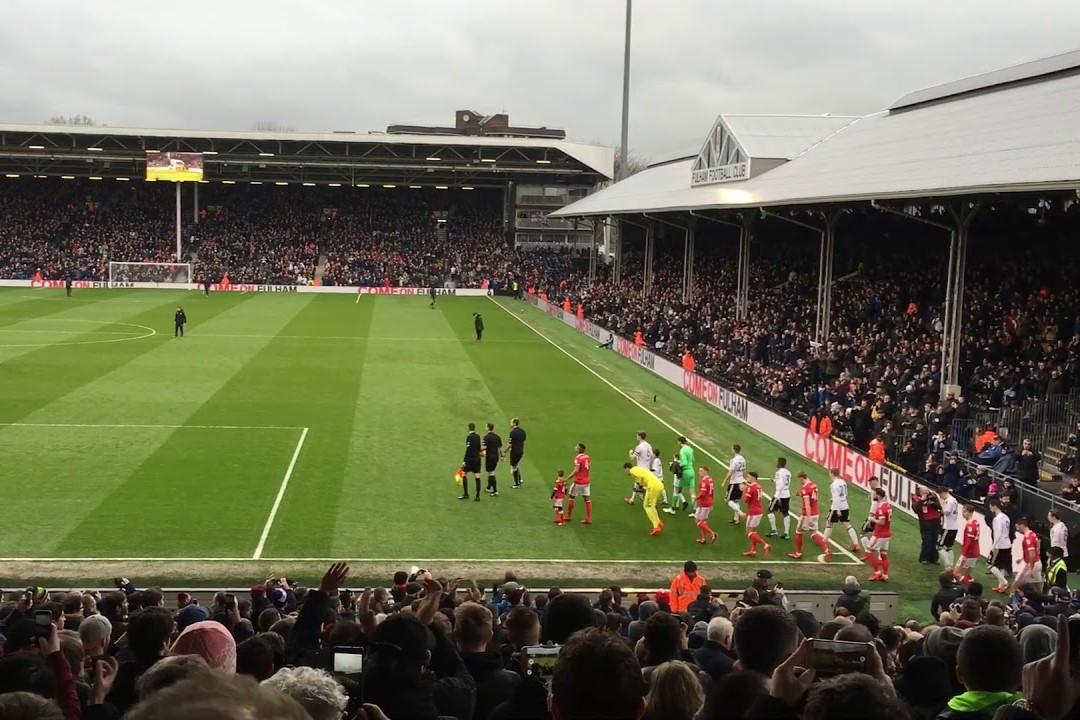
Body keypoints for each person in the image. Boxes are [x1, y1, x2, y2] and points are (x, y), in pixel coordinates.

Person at [789, 472, 830, 560]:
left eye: (799, 479)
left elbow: (807, 505)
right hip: (816, 513)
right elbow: (812, 498)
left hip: (807, 514)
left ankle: (798, 553)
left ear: (801, 478)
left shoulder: (805, 488)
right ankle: (826, 548)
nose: (799, 481)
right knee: (813, 533)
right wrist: (800, 495)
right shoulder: (814, 485)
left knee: (798, 531)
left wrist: (807, 519)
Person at [824, 468, 860, 552]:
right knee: (847, 524)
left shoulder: (833, 485)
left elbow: (836, 497)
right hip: (845, 505)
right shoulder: (843, 482)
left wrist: (837, 510)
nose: (829, 474)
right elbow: (845, 494)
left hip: (836, 507)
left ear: (832, 473)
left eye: (830, 473)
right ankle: (856, 543)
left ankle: (824, 542)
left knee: (829, 523)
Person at [624, 462, 664, 535]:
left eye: (625, 470)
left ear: (627, 468)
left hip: (653, 487)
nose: (625, 472)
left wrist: (641, 484)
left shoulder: (633, 470)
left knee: (646, 506)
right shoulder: (638, 469)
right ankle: (658, 522)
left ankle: (656, 526)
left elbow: (641, 477)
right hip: (659, 485)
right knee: (652, 505)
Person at [1010, 517, 1043, 593]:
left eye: (1018, 527)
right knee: (1037, 585)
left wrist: (1030, 567)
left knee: (1015, 584)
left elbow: (1032, 554)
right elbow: (1036, 549)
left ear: (1022, 525)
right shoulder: (1033, 534)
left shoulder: (1028, 538)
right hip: (1038, 563)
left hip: (1030, 564)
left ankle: (1014, 602)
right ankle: (1041, 600)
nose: (1017, 529)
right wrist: (1022, 558)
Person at [742, 472, 770, 557]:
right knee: (754, 532)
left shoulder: (751, 488)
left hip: (753, 512)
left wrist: (744, 490)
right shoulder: (758, 486)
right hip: (759, 511)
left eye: (749, 477)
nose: (747, 478)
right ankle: (753, 551)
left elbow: (746, 500)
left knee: (748, 532)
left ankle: (765, 545)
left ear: (753, 478)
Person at [867, 486, 892, 582]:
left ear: (878, 495)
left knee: (868, 551)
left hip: (880, 534)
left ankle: (877, 573)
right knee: (884, 554)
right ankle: (885, 575)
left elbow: (882, 522)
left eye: (873, 494)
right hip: (887, 534)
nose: (872, 496)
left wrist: (873, 519)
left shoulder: (881, 507)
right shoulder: (887, 505)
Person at [953, 504, 981, 585]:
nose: (963, 514)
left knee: (956, 573)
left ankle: (967, 587)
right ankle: (970, 585)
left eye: (964, 512)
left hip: (969, 553)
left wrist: (964, 555)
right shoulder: (976, 522)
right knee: (966, 574)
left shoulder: (970, 525)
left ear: (970, 512)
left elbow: (969, 542)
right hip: (975, 552)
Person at [988, 501, 1013, 593]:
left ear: (995, 506)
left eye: (991, 506)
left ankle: (1005, 582)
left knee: (991, 565)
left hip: (1000, 545)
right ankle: (1001, 586)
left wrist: (994, 546)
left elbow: (998, 534)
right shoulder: (1005, 517)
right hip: (1007, 543)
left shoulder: (997, 519)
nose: (990, 509)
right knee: (1001, 566)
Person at [767, 457, 792, 539]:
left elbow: (781, 485)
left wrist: (778, 497)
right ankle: (786, 533)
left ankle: (774, 530)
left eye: (777, 462)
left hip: (779, 495)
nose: (776, 463)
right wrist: (774, 480)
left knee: (770, 510)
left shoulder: (779, 472)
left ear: (780, 463)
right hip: (787, 495)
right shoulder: (788, 472)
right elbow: (784, 482)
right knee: (785, 513)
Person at [567, 443, 593, 525]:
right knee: (587, 499)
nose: (575, 448)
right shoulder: (587, 457)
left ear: (580, 449)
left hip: (578, 481)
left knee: (571, 497)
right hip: (586, 481)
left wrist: (567, 478)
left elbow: (576, 470)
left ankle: (568, 516)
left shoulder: (577, 458)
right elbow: (589, 467)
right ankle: (588, 519)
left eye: (577, 447)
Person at [626, 431, 653, 505]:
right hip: (647, 469)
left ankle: (632, 499)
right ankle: (648, 499)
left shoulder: (639, 447)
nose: (636, 437)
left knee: (637, 484)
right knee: (645, 485)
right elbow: (652, 456)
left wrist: (630, 452)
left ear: (640, 437)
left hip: (641, 469)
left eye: (637, 436)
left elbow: (632, 458)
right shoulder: (648, 445)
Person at [721, 444, 746, 523]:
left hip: (734, 483)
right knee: (736, 501)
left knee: (729, 501)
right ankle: (736, 519)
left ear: (734, 450)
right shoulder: (742, 459)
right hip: (741, 481)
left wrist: (725, 480)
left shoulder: (734, 460)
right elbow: (743, 470)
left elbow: (731, 472)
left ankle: (740, 513)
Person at [673, 436, 696, 514]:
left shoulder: (682, 450)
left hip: (686, 472)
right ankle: (694, 510)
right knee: (692, 491)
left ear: (680, 442)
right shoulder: (690, 449)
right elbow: (693, 460)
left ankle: (673, 508)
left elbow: (684, 463)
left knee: (676, 489)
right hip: (692, 471)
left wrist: (678, 464)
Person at [694, 466, 717, 544]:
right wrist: (712, 502)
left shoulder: (704, 481)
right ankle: (703, 539)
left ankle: (712, 533)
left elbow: (703, 493)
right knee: (703, 522)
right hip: (708, 502)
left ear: (706, 471)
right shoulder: (710, 480)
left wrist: (696, 498)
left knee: (698, 521)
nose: (699, 472)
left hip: (703, 503)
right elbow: (712, 492)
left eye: (701, 471)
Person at [938, 487, 960, 567]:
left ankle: (947, 565)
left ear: (943, 493)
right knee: (948, 547)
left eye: (940, 495)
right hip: (954, 527)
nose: (941, 497)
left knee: (940, 546)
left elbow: (947, 512)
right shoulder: (954, 500)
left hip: (948, 527)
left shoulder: (948, 500)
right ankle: (951, 564)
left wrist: (941, 510)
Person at [461, 423, 482, 502]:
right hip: (477, 460)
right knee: (477, 477)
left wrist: (464, 461)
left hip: (470, 460)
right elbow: (479, 448)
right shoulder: (478, 437)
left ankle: (466, 494)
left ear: (469, 428)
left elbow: (468, 450)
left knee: (464, 474)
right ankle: (477, 496)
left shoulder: (469, 438)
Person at [483, 422, 503, 497]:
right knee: (490, 472)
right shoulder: (497, 437)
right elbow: (500, 448)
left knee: (491, 473)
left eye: (486, 427)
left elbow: (484, 447)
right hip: (495, 457)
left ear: (488, 428)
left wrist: (477, 450)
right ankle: (489, 487)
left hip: (490, 457)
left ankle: (495, 491)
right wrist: (502, 456)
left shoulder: (486, 437)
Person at [508, 418, 526, 488]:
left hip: (514, 452)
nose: (510, 424)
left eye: (511, 422)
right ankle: (519, 479)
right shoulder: (523, 431)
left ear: (514, 423)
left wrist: (504, 452)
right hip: (520, 451)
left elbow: (510, 445)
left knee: (513, 467)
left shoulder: (512, 433)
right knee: (516, 464)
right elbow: (524, 442)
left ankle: (516, 483)